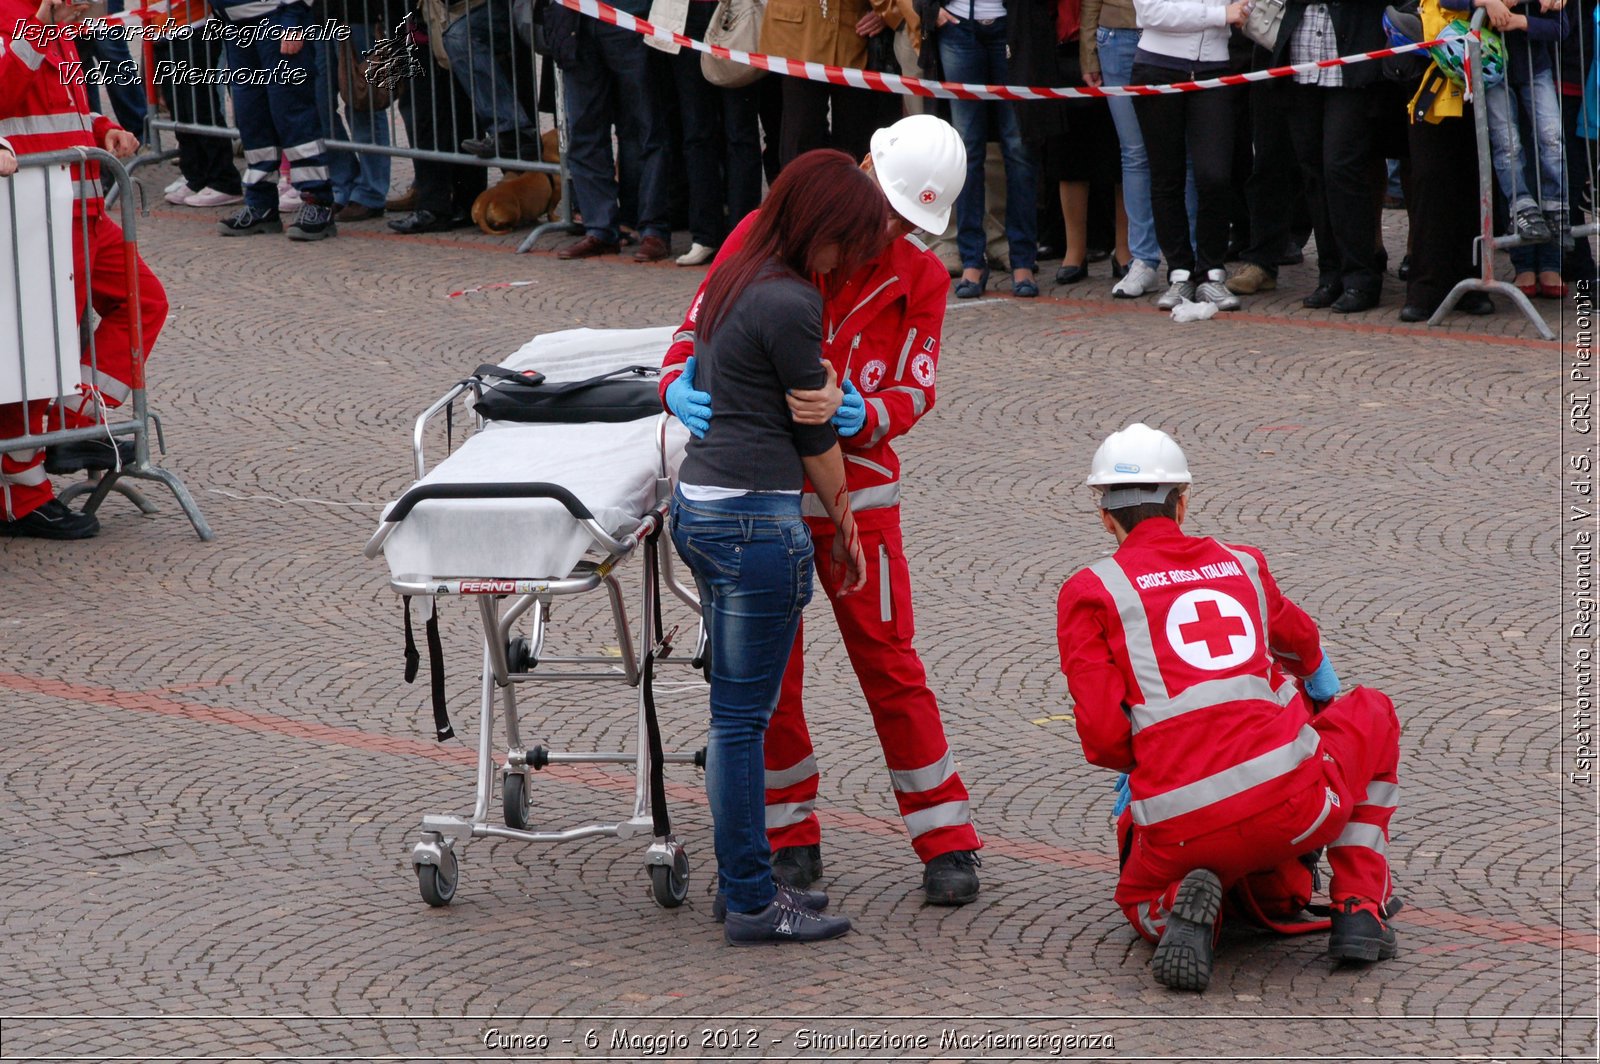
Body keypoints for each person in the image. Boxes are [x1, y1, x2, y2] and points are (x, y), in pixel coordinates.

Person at [661, 115, 985, 906]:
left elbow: (918, 386)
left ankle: (945, 837)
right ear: (864, 173)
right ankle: (787, 832)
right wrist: (676, 386)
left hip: (860, 499)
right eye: (892, 215)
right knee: (776, 678)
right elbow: (686, 336)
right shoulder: (765, 232)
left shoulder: (922, 278)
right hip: (763, 495)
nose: (893, 235)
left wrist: (865, 413)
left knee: (892, 662)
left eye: (912, 225)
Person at [1056, 423, 1403, 991]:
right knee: (1374, 713)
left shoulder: (1089, 590)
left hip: (1179, 825)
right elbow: (1301, 642)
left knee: (1139, 899)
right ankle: (1359, 909)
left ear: (1104, 514)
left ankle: (1183, 910)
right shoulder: (1241, 564)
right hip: (1293, 805)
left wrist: (1147, 760)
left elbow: (1100, 736)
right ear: (1184, 503)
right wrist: (1318, 690)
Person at [669, 149, 879, 946]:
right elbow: (812, 423)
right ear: (820, 228)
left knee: (733, 719)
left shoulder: (739, 272)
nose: (851, 259)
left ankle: (742, 885)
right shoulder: (792, 300)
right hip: (756, 521)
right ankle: (755, 901)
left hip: (702, 504)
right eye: (847, 242)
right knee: (739, 724)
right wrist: (845, 513)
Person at [0, 0, 168, 539]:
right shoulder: (17, 15)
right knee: (34, 352)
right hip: (36, 211)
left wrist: (102, 128)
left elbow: (63, 105)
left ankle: (69, 428)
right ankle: (21, 496)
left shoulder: (54, 17)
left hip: (82, 205)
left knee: (145, 301)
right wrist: (35, 28)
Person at [1272, 0, 1390, 313]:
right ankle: (1330, 275)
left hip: (1350, 60)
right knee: (1312, 172)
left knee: (1342, 169)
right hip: (1302, 56)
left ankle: (1361, 278)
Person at [1130, 0, 1247, 311]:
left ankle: (1211, 273)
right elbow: (1150, 12)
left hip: (1215, 67)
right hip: (1157, 65)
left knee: (1215, 175)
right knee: (1167, 176)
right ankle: (1179, 272)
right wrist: (1220, 15)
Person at [931, 0, 1040, 297]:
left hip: (1012, 26)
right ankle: (971, 259)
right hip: (957, 27)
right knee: (966, 150)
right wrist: (929, 9)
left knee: (1018, 148)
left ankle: (1023, 260)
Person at [211, 0, 338, 239]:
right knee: (252, 120)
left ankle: (317, 201)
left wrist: (294, 20)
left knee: (293, 115)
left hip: (277, 19)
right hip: (237, 26)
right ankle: (261, 203)